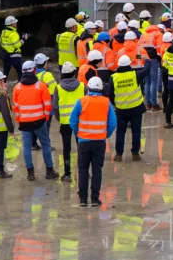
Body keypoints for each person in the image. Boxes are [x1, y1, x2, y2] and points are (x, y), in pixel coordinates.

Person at [69, 76, 117, 207]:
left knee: (83, 170)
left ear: (88, 88)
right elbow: (113, 123)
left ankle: (83, 199)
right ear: (101, 89)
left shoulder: (81, 101)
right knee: (97, 170)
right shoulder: (106, 102)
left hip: (83, 141)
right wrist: (105, 134)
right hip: (99, 142)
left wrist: (78, 134)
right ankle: (95, 199)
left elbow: (72, 121)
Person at [12, 61, 58, 181]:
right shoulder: (41, 86)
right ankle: (49, 171)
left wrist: (19, 120)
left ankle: (30, 173)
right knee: (45, 144)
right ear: (34, 71)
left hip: (25, 123)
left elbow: (15, 107)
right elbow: (48, 105)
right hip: (40, 121)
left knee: (26, 146)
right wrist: (45, 118)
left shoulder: (17, 88)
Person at [105, 55, 145, 162]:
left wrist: (116, 103)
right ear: (129, 64)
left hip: (121, 109)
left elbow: (110, 94)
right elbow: (147, 70)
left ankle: (118, 154)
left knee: (120, 132)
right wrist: (145, 58)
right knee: (136, 131)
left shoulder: (114, 77)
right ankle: (135, 154)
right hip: (136, 108)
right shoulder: (135, 74)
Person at [54, 62, 84, 181]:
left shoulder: (58, 88)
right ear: (74, 73)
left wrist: (60, 118)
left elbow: (55, 107)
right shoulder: (82, 86)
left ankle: (67, 174)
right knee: (81, 147)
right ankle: (84, 172)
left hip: (65, 123)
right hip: (80, 122)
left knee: (66, 149)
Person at [0, 16, 27, 80]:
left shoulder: (3, 33)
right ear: (11, 24)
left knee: (5, 74)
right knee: (20, 73)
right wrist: (23, 40)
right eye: (15, 22)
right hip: (15, 56)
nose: (16, 23)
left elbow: (1, 43)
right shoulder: (14, 34)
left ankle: (1, 87)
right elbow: (17, 45)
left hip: (6, 56)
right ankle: (21, 86)